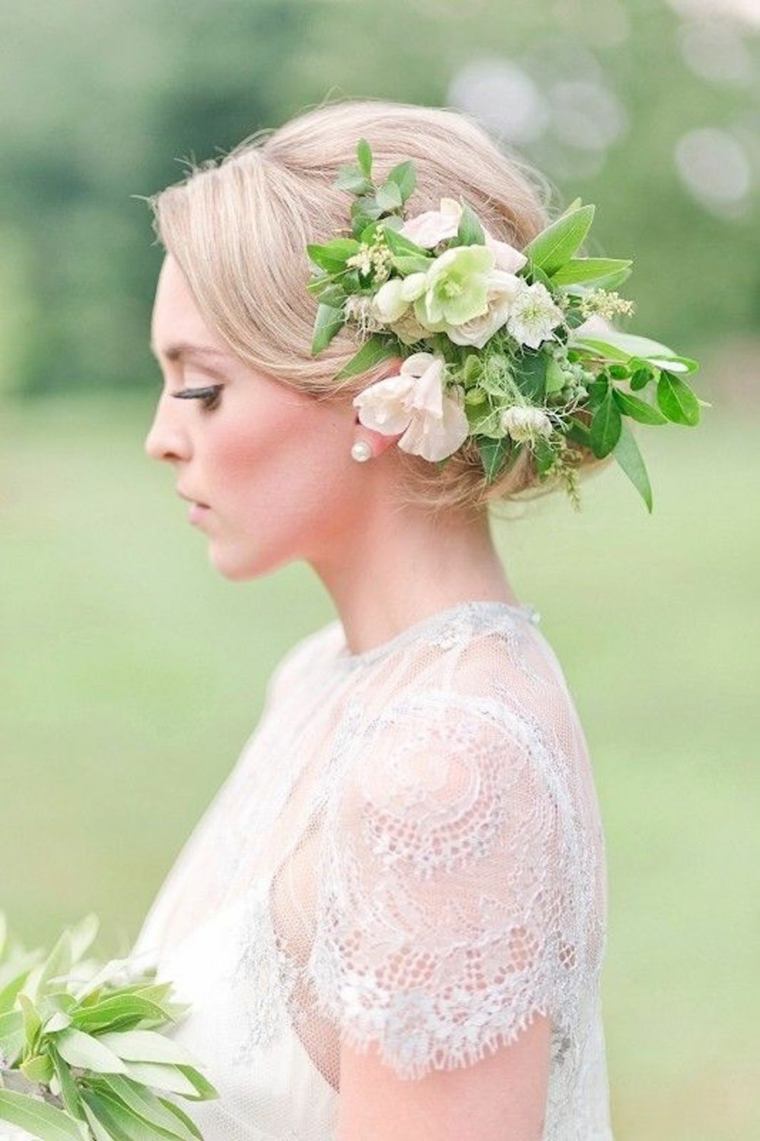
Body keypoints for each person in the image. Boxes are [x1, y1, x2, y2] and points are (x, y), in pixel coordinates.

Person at [135, 98, 614, 1140]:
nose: (160, 439)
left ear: (378, 394)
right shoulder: (324, 676)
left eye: (202, 388)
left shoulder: (447, 771)